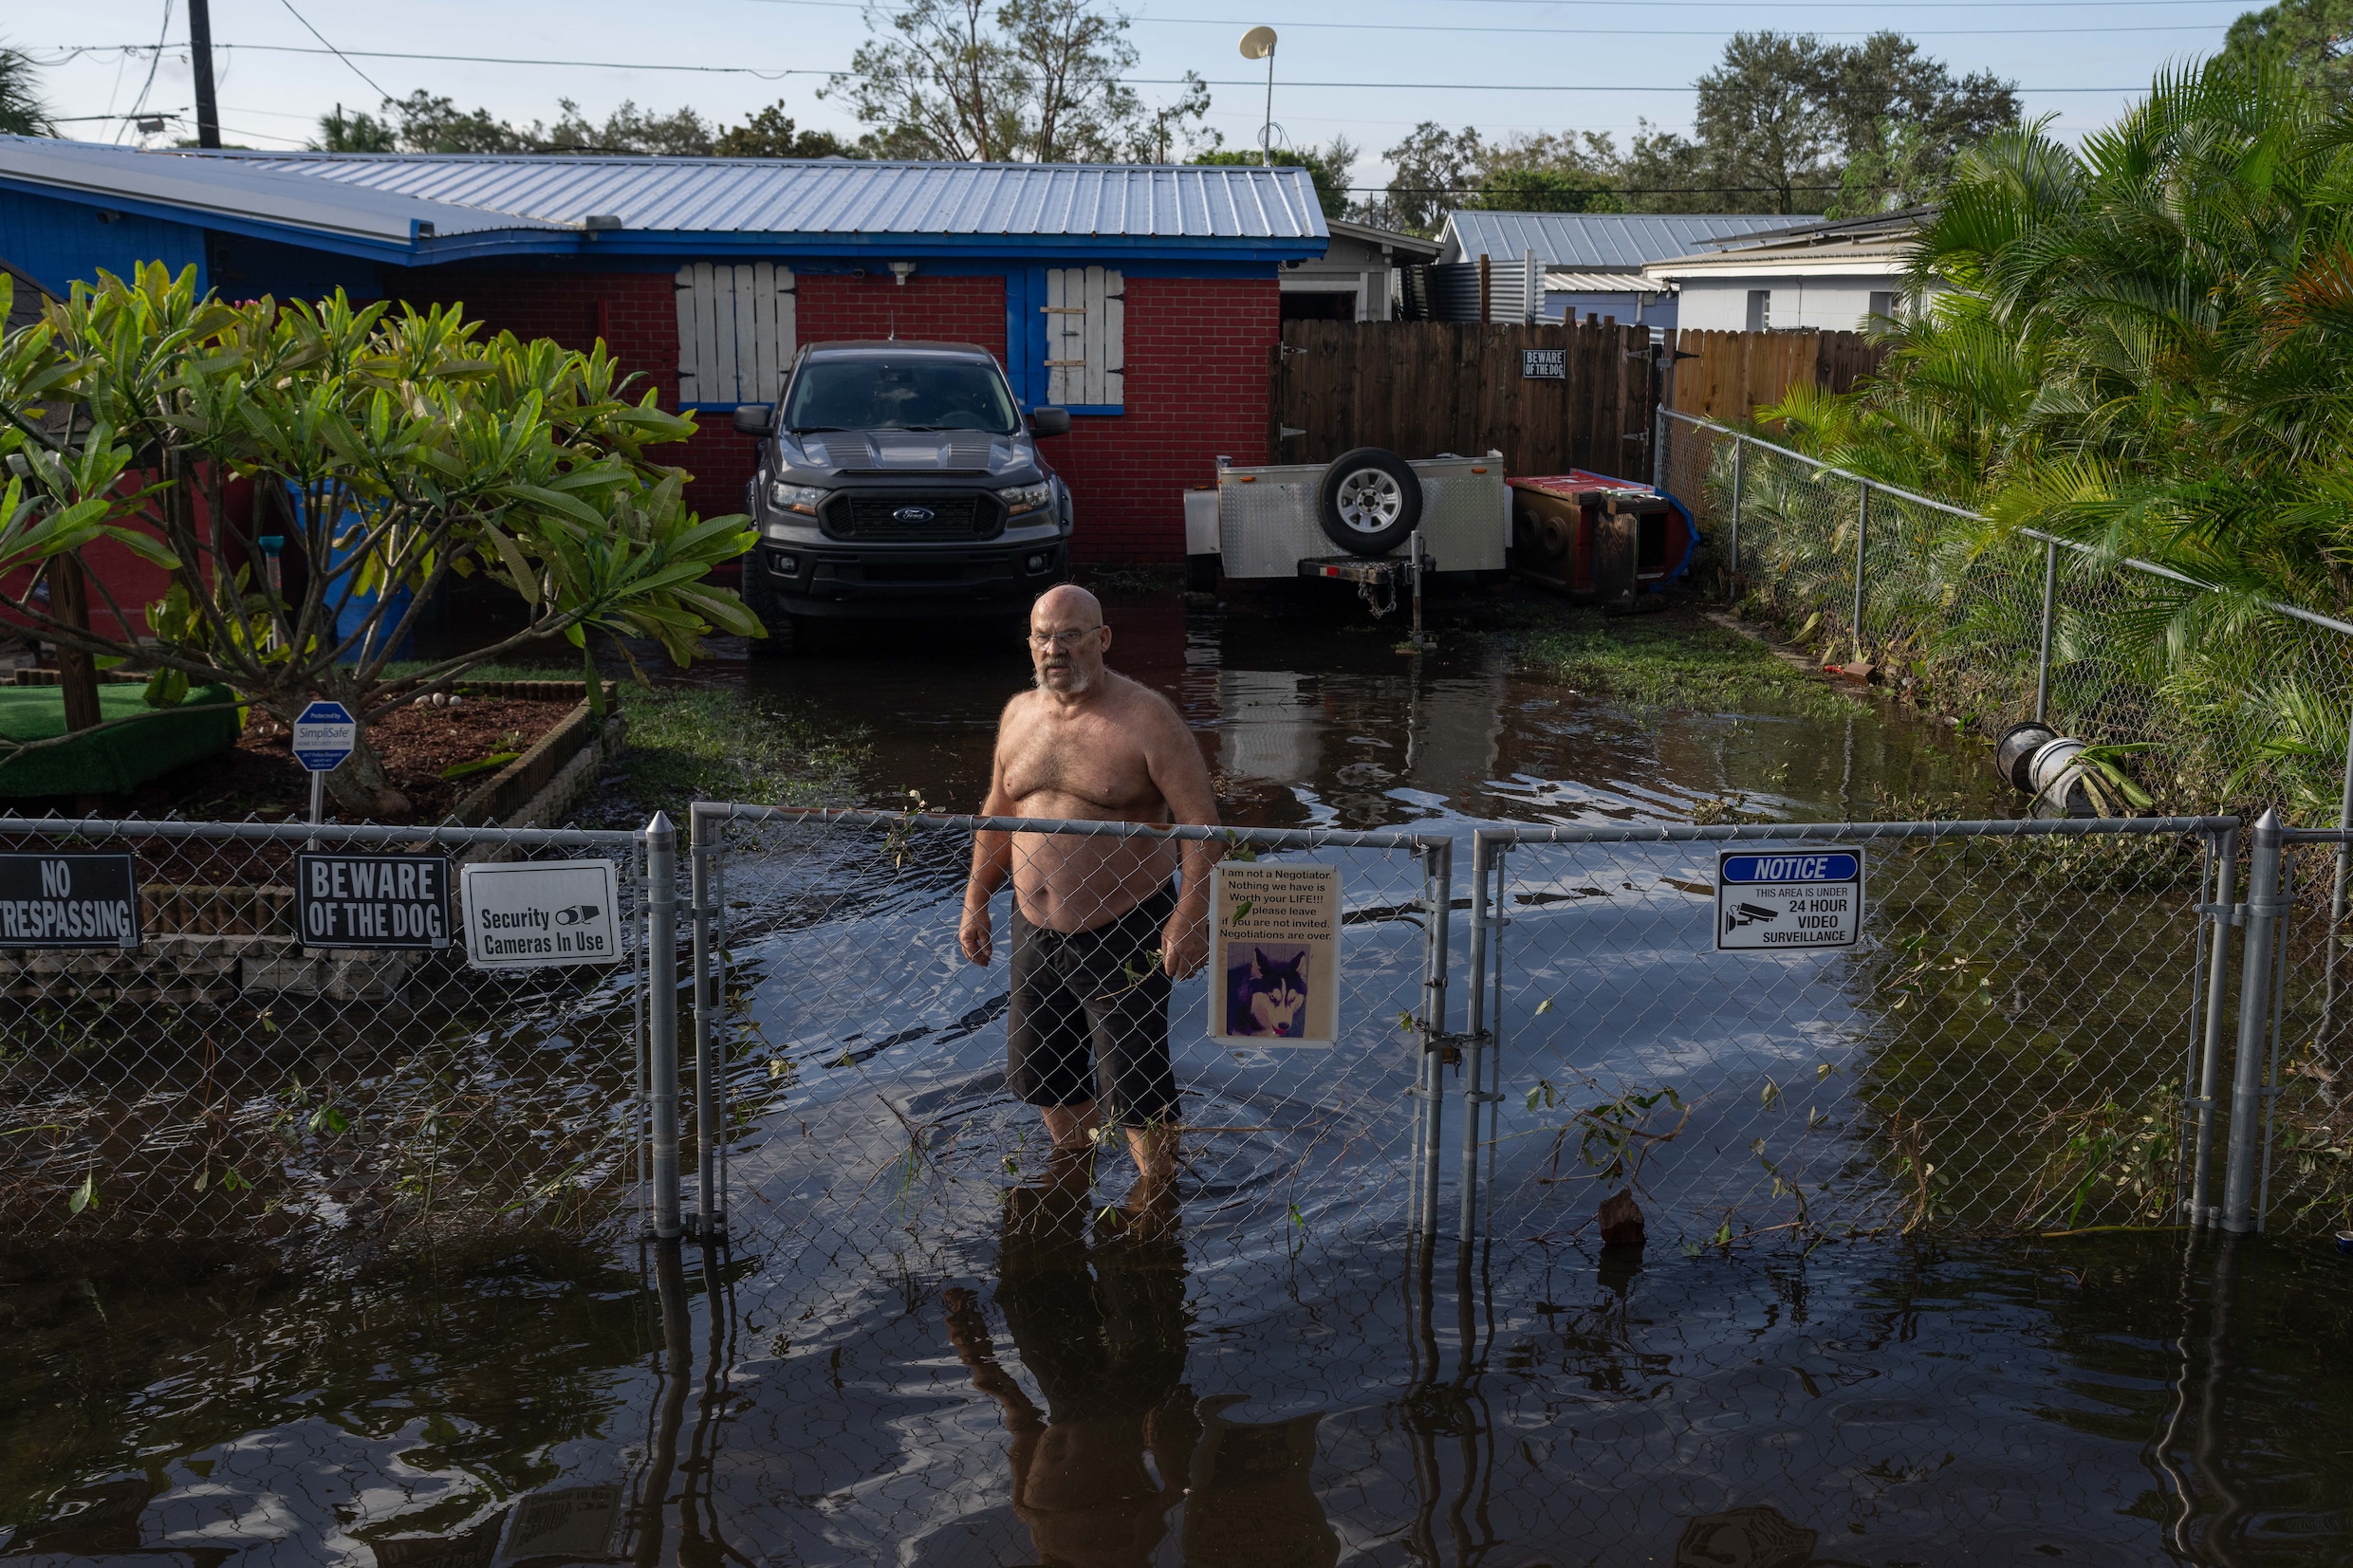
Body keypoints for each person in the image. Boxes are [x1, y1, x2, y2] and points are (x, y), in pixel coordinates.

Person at [960, 584, 1219, 1202]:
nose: (1056, 648)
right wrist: (975, 900)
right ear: (1030, 642)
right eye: (1044, 636)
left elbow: (1203, 828)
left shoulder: (1147, 717)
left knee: (1135, 1084)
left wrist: (1191, 913)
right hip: (1035, 930)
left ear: (1102, 639)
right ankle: (1071, 1172)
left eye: (1071, 634)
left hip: (1126, 927)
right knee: (1045, 1073)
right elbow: (997, 817)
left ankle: (1155, 1199)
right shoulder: (1018, 714)